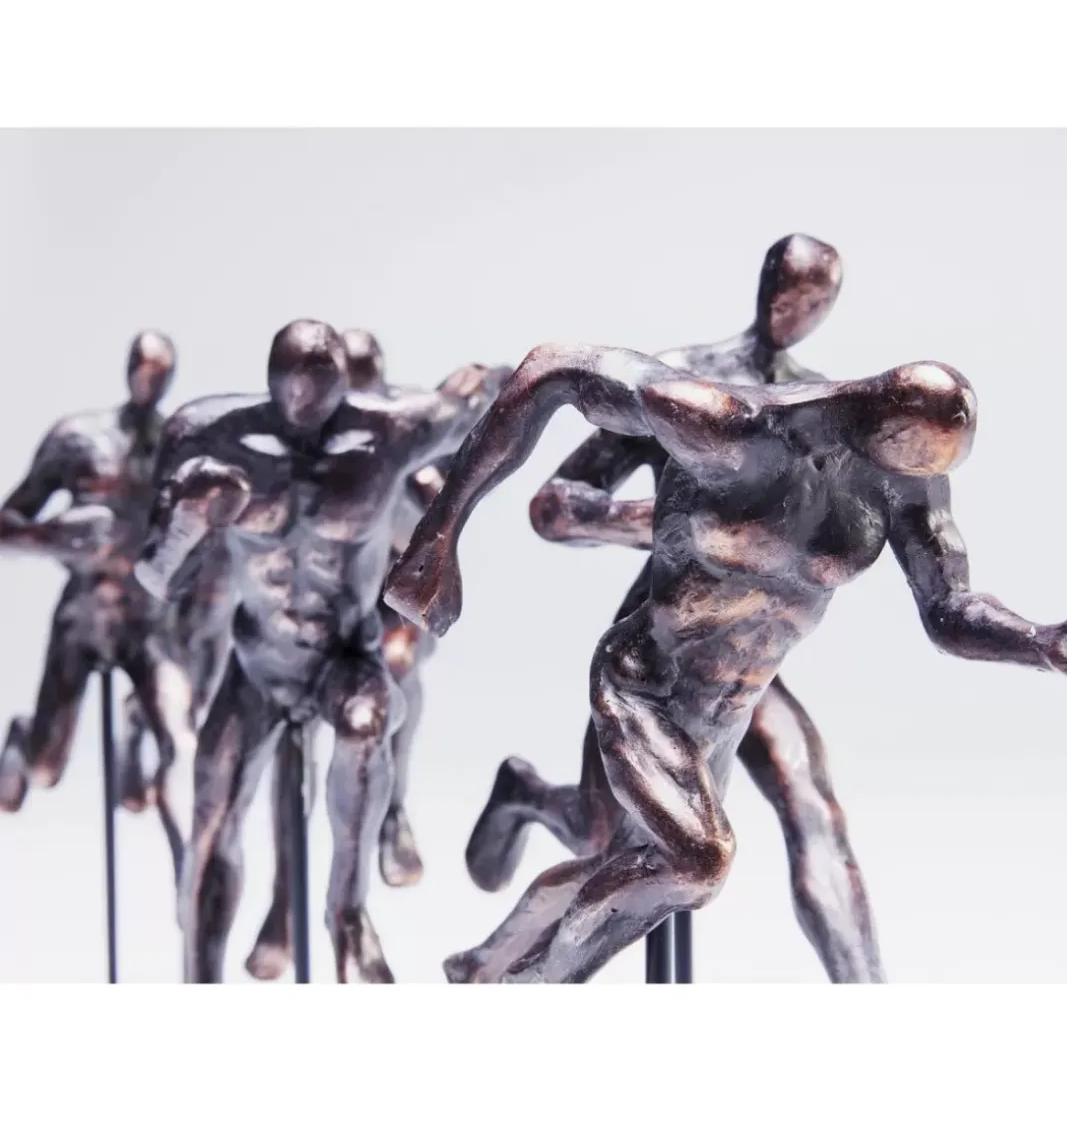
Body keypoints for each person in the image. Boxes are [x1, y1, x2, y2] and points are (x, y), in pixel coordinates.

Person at [385, 342, 1067, 983]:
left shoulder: (905, 483)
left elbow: (948, 611)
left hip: (737, 701)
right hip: (648, 685)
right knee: (694, 860)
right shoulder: (731, 427)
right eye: (916, 456)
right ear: (881, 423)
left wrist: (1049, 644)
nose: (924, 476)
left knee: (639, 854)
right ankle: (527, 986)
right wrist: (437, 538)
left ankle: (491, 962)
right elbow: (552, 370)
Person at [465, 233, 886, 980]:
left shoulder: (827, 414)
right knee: (604, 837)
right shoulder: (687, 384)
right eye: (786, 290)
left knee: (812, 806)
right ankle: (524, 799)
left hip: (754, 662)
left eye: (815, 300)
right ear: (763, 283)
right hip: (665, 648)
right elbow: (557, 505)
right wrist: (677, 528)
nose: (793, 311)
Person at [135, 318, 508, 982]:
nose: (305, 412)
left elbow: (485, 414)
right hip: (258, 664)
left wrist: (493, 385)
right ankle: (199, 978)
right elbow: (159, 578)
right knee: (212, 823)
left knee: (367, 722)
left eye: (321, 395)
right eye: (292, 396)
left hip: (346, 656)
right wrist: (190, 521)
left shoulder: (387, 433)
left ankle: (347, 912)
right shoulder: (209, 435)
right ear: (272, 386)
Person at [0, 331, 197, 883]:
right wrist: (51, 536)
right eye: (143, 367)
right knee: (46, 768)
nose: (150, 381)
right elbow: (8, 523)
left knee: (183, 740)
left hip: (148, 621)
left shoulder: (182, 448)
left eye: (161, 372)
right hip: (83, 618)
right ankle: (24, 742)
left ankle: (191, 875)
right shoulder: (79, 438)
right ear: (128, 368)